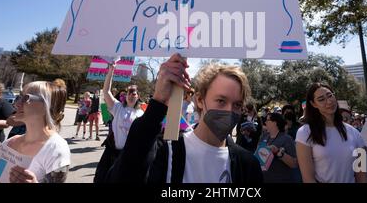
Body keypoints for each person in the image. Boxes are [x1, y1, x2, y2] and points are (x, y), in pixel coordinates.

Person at [107, 53, 263, 183]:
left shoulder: (248, 165)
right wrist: (157, 103)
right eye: (221, 101)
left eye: (236, 105)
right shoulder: (165, 153)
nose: (229, 111)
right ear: (200, 100)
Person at [295, 82, 367, 183]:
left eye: (330, 96)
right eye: (321, 99)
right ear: (313, 104)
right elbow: (308, 178)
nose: (329, 101)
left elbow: (362, 173)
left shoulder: (355, 133)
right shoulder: (304, 132)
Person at [3, 80, 70, 183]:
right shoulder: (10, 142)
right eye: (19, 97)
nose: (17, 104)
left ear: (47, 106)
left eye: (26, 98)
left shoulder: (57, 150)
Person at [93, 63, 144, 183]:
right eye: (129, 92)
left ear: (138, 96)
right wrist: (111, 71)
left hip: (130, 157)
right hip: (113, 154)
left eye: (134, 93)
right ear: (125, 96)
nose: (131, 95)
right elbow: (106, 91)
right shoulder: (118, 108)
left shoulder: (141, 114)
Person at [259, 112, 300, 182]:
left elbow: (294, 163)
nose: (265, 122)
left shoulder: (287, 139)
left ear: (275, 122)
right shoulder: (264, 136)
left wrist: (278, 152)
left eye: (267, 120)